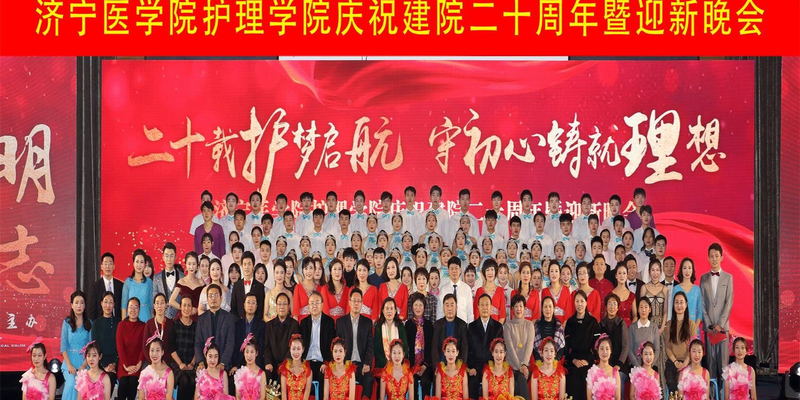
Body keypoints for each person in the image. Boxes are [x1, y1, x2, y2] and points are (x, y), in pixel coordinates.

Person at [700, 243, 733, 381]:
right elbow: (702, 303)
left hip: (723, 329)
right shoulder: (703, 278)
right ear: (708, 258)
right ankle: (712, 392)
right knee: (711, 365)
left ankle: (724, 392)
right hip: (709, 329)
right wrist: (709, 324)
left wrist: (720, 324)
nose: (714, 259)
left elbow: (729, 302)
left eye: (716, 256)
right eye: (711, 256)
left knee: (724, 367)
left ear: (721, 257)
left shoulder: (728, 277)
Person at [336, 289, 375, 400]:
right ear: (349, 302)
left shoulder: (367, 322)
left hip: (361, 364)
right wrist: (342, 364)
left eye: (359, 301)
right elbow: (337, 346)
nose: (356, 304)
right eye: (354, 301)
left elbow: (370, 346)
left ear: (362, 303)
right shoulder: (341, 322)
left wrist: (367, 363)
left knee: (369, 379)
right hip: (346, 364)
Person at [564, 290, 601, 400]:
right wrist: (573, 360)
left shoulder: (593, 322)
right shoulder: (570, 322)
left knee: (586, 376)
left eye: (582, 301)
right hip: (573, 361)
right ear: (574, 303)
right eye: (577, 301)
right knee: (572, 377)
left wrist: (588, 360)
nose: (579, 304)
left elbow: (597, 347)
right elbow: (566, 348)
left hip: (588, 360)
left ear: (586, 303)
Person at [467, 294, 504, 399]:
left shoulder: (498, 327)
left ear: (491, 307)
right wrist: (471, 367)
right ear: (478, 307)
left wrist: (496, 367)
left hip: (493, 366)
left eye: (487, 305)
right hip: (476, 367)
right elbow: (469, 350)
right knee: (472, 383)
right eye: (482, 305)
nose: (484, 307)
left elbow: (500, 350)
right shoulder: (471, 326)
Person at [194, 284, 237, 370]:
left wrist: (223, 363)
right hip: (205, 364)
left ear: (221, 298)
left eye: (216, 295)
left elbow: (230, 343)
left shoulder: (229, 318)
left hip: (223, 365)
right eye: (210, 296)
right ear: (207, 299)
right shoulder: (201, 319)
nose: (213, 298)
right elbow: (198, 342)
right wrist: (201, 362)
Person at [300, 291, 336, 393]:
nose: (314, 305)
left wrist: (327, 362)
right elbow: (300, 345)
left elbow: (332, 346)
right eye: (312, 303)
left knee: (323, 376)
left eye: (317, 302)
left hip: (322, 362)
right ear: (308, 305)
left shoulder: (329, 322)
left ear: (322, 304)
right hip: (307, 362)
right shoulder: (303, 323)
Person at [61, 290, 92, 400]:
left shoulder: (89, 323)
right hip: (69, 361)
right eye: (76, 302)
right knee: (71, 385)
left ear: (85, 306)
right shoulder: (67, 322)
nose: (79, 305)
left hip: (84, 362)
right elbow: (63, 346)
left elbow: (91, 348)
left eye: (82, 303)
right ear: (72, 305)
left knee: (82, 387)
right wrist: (69, 365)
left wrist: (84, 365)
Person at [663, 291, 696, 392]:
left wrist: (685, 362)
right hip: (673, 361)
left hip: (688, 361)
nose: (679, 305)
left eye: (681, 302)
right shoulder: (668, 325)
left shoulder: (691, 324)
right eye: (676, 302)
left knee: (685, 383)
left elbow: (693, 347)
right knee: (671, 382)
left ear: (686, 304)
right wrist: (675, 362)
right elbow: (667, 347)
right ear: (673, 305)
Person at [504, 295, 535, 399]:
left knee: (521, 381)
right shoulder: (508, 325)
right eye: (516, 306)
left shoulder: (529, 325)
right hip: (511, 366)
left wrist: (524, 365)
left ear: (524, 308)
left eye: (521, 306)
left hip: (525, 366)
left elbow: (529, 347)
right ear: (512, 309)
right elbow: (510, 348)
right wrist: (519, 366)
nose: (518, 309)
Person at [264, 292, 300, 379]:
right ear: (276, 307)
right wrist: (268, 362)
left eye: (284, 304)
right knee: (267, 374)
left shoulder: (294, 324)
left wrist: (285, 364)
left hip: (288, 363)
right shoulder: (269, 325)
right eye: (279, 304)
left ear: (289, 307)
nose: (282, 307)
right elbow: (266, 347)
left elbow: (294, 347)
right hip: (272, 364)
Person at [116, 297, 146, 400]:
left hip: (137, 364)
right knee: (123, 383)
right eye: (130, 307)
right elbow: (120, 347)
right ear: (127, 309)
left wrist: (139, 363)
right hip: (123, 363)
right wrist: (125, 365)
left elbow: (143, 347)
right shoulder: (121, 325)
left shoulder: (143, 326)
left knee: (133, 382)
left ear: (139, 309)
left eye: (136, 307)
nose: (133, 310)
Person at [406, 293, 435, 398]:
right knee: (412, 381)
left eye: (420, 305)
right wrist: (412, 366)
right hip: (412, 365)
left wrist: (424, 366)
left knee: (425, 381)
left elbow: (431, 348)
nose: (418, 308)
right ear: (412, 307)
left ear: (424, 307)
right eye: (416, 305)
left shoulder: (429, 325)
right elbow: (406, 348)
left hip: (426, 365)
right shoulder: (408, 325)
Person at [171, 296, 198, 400]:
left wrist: (192, 363)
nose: (186, 308)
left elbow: (198, 347)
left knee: (193, 381)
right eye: (184, 305)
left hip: (192, 363)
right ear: (180, 307)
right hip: (177, 363)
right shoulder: (175, 324)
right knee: (184, 381)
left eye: (189, 305)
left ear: (192, 308)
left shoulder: (196, 326)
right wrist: (180, 364)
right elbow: (171, 348)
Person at [232, 293, 267, 371]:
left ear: (256, 306)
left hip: (256, 363)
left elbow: (262, 346)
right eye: (248, 302)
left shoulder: (262, 325)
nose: (250, 305)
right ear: (244, 305)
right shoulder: (237, 324)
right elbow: (235, 346)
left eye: (253, 303)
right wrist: (235, 365)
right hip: (239, 363)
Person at [431, 294, 469, 365]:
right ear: (443, 308)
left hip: (457, 366)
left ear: (456, 307)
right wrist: (437, 367)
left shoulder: (462, 325)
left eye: (452, 305)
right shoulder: (437, 325)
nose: (449, 308)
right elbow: (434, 349)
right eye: (447, 305)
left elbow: (464, 349)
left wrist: (460, 367)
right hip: (441, 366)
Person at [90, 292, 118, 384]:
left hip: (115, 362)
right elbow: (95, 347)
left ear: (114, 304)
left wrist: (114, 364)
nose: (108, 305)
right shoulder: (96, 323)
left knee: (110, 378)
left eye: (111, 302)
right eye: (105, 302)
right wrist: (103, 367)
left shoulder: (118, 323)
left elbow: (120, 347)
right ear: (101, 303)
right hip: (100, 362)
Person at [374, 298, 409, 373]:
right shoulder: (378, 326)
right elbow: (377, 349)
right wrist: (386, 364)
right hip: (382, 365)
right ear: (383, 311)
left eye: (391, 308)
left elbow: (405, 347)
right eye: (387, 308)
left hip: (399, 364)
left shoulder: (400, 326)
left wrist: (397, 363)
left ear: (395, 311)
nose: (389, 311)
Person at [231, 251, 266, 320]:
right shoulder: (236, 285)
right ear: (242, 266)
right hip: (239, 323)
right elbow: (233, 308)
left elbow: (261, 309)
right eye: (244, 264)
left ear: (253, 266)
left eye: (249, 264)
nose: (247, 267)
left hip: (255, 324)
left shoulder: (260, 287)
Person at [88, 252, 124, 320]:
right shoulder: (95, 287)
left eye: (110, 264)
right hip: (101, 323)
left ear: (114, 266)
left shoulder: (121, 286)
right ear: (101, 266)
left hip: (117, 322)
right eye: (105, 264)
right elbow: (91, 310)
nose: (108, 266)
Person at [437, 257, 474, 323]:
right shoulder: (443, 289)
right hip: (447, 326)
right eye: (451, 269)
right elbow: (440, 312)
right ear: (448, 271)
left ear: (460, 270)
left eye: (456, 268)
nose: (454, 271)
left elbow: (470, 313)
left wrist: (470, 327)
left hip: (463, 326)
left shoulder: (467, 289)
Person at [598, 294, 629, 372]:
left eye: (614, 304)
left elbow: (625, 346)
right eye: (609, 304)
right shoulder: (601, 324)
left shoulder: (621, 323)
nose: (612, 307)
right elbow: (598, 346)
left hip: (619, 364)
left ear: (618, 308)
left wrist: (619, 364)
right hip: (604, 363)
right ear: (606, 307)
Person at [169, 252, 206, 316]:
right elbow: (171, 301)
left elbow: (206, 302)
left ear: (197, 265)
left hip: (198, 316)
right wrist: (185, 309)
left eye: (194, 264)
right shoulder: (181, 281)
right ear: (185, 265)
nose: (191, 267)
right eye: (189, 264)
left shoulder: (201, 282)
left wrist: (197, 309)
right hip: (184, 317)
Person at [585, 334, 621, 400]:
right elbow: (589, 397)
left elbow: (618, 397)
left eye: (607, 349)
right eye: (601, 349)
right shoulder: (592, 372)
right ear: (598, 351)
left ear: (611, 351)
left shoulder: (615, 372)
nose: (604, 352)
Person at [628, 298, 660, 369]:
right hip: (636, 366)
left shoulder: (654, 327)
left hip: (651, 366)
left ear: (650, 309)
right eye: (641, 307)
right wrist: (639, 367)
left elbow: (657, 350)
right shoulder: (632, 327)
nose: (643, 310)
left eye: (646, 307)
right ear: (638, 310)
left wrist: (649, 365)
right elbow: (630, 350)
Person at [122, 249, 153, 322]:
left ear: (144, 264)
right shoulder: (128, 282)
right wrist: (124, 324)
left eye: (141, 262)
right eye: (137, 261)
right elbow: (124, 306)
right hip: (131, 319)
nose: (139, 265)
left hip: (146, 318)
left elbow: (151, 305)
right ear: (133, 263)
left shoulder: (149, 282)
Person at [672, 257, 704, 328]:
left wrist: (695, 327)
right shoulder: (676, 289)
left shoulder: (697, 289)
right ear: (681, 270)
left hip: (694, 327)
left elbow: (700, 311)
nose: (687, 271)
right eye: (685, 268)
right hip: (678, 327)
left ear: (692, 270)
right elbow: (672, 310)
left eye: (689, 268)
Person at [234, 334, 267, 400]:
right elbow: (238, 396)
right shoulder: (239, 373)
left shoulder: (262, 374)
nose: (249, 355)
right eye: (247, 352)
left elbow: (262, 397)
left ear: (256, 353)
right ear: (244, 353)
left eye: (252, 352)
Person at [473, 259, 507, 323]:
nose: (490, 273)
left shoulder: (500, 290)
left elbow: (502, 315)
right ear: (484, 273)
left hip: (497, 326)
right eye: (487, 270)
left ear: (495, 272)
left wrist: (497, 328)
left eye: (492, 269)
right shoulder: (479, 291)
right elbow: (476, 313)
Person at [280, 334, 313, 400]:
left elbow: (307, 394)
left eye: (298, 349)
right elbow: (283, 395)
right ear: (290, 350)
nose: (296, 352)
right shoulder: (284, 369)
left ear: (303, 350)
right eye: (293, 349)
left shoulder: (308, 371)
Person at [143, 293, 175, 361]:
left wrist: (163, 363)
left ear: (166, 305)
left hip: (166, 362)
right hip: (152, 361)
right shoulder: (149, 324)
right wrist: (153, 361)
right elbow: (145, 347)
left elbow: (172, 347)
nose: (159, 306)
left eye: (162, 303)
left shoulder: (171, 323)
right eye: (157, 303)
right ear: (154, 306)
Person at [533, 296, 565, 361]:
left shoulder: (559, 326)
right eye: (545, 306)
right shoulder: (536, 326)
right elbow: (534, 348)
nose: (548, 309)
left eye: (550, 306)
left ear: (553, 309)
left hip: (555, 362)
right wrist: (540, 362)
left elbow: (562, 348)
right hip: (540, 362)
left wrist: (555, 361)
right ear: (542, 309)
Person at [293, 257, 318, 321]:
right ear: (302, 271)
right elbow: (295, 313)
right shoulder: (298, 288)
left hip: (317, 322)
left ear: (315, 270)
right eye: (306, 268)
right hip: (302, 323)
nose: (308, 271)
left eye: (311, 268)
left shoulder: (319, 288)